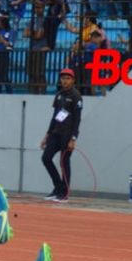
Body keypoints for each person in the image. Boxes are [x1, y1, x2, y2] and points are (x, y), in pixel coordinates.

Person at [40, 68, 81, 202]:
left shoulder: (76, 96)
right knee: (46, 158)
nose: (65, 81)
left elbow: (77, 120)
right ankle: (58, 187)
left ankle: (65, 192)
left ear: (73, 80)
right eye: (63, 78)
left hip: (67, 135)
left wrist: (73, 138)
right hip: (55, 134)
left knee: (64, 162)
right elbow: (55, 117)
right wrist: (47, 135)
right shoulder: (58, 95)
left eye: (68, 78)